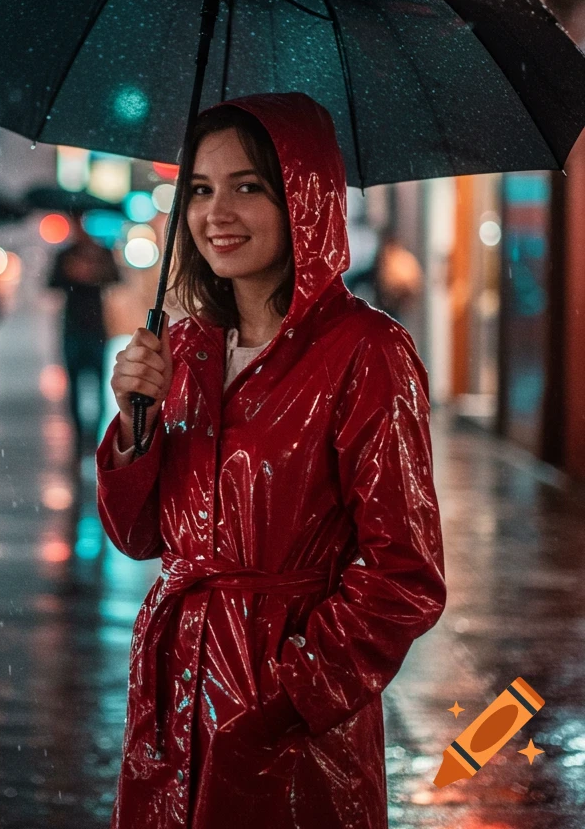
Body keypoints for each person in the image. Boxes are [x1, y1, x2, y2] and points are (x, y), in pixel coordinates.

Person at [98, 94, 446, 829]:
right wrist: (136, 423)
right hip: (173, 700)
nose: (216, 213)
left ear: (305, 200)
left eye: (248, 186)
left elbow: (404, 577)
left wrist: (285, 696)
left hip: (292, 733)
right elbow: (140, 538)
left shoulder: (367, 352)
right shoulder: (185, 349)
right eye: (200, 189)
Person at [47, 212, 119, 455]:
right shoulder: (65, 255)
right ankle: (78, 438)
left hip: (97, 329)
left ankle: (95, 436)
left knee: (99, 386)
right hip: (72, 329)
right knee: (75, 388)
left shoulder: (102, 252)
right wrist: (71, 274)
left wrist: (93, 273)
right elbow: (51, 284)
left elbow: (116, 278)